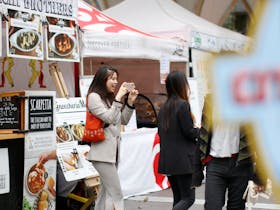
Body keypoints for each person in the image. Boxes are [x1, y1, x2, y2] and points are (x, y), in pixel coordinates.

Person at [198, 94, 264, 210]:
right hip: (215, 164)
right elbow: (203, 135)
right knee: (212, 206)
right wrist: (196, 168)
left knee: (237, 207)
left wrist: (259, 175)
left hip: (241, 165)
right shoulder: (210, 99)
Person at [86, 65, 138, 210]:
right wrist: (118, 97)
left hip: (111, 153)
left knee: (104, 194)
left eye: (116, 79)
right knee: (117, 194)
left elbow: (122, 120)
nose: (116, 82)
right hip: (101, 154)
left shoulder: (109, 99)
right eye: (112, 79)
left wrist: (130, 102)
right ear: (103, 80)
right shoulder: (93, 97)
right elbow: (109, 118)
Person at [157, 71, 200, 210]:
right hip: (183, 160)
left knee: (178, 198)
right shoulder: (182, 105)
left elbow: (160, 133)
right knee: (188, 198)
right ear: (182, 85)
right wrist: (202, 131)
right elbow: (189, 132)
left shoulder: (163, 107)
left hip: (168, 160)